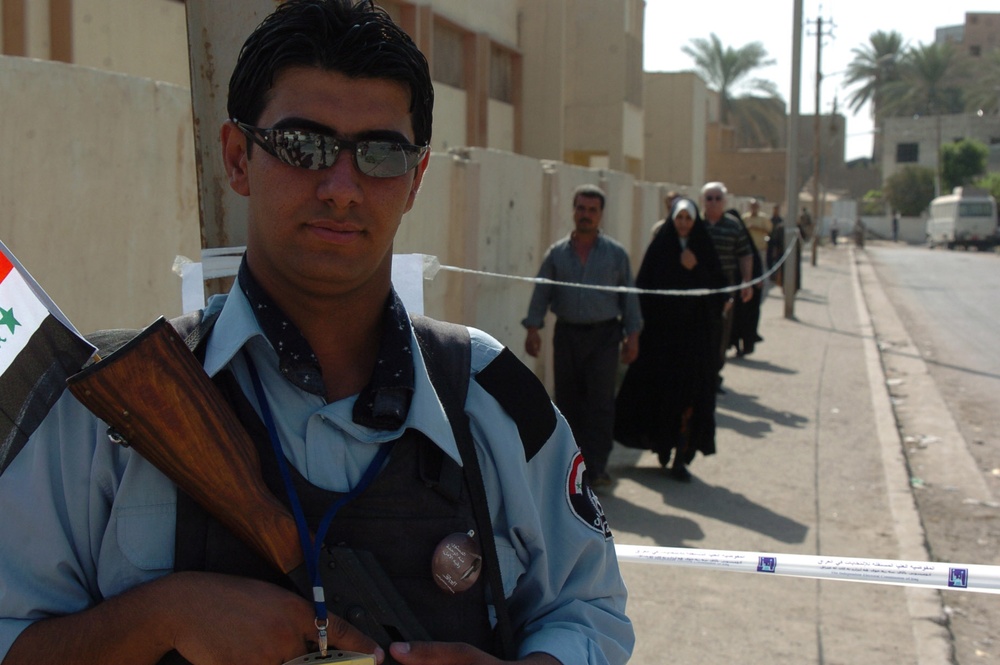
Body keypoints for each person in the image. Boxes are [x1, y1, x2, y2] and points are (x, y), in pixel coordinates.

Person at [0, 3, 634, 665]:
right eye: (304, 145)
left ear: (416, 178)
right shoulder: (112, 413)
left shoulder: (494, 402)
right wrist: (161, 616)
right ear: (238, 158)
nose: (341, 186)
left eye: (380, 153)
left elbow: (589, 610)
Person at [523, 184, 642, 488]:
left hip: (604, 337)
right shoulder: (557, 254)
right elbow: (542, 292)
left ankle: (598, 467)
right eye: (581, 208)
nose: (585, 215)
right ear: (573, 211)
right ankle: (570, 471)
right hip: (567, 336)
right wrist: (533, 329)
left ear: (601, 215)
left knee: (600, 403)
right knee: (567, 403)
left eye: (592, 210)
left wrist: (633, 336)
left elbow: (629, 296)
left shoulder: (615, 254)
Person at [614, 198, 726, 482]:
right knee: (660, 394)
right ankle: (662, 445)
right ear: (673, 219)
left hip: (695, 341)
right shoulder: (661, 247)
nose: (685, 223)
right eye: (680, 218)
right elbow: (643, 290)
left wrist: (695, 269)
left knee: (689, 397)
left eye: (689, 218)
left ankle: (680, 455)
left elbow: (720, 292)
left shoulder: (703, 249)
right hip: (661, 340)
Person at [700, 182, 753, 394]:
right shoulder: (694, 224)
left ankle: (714, 374)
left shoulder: (733, 226)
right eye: (709, 198)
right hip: (697, 289)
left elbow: (745, 254)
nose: (713, 202)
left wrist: (746, 281)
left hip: (725, 292)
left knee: (720, 333)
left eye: (717, 198)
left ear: (724, 201)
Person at [728, 210, 764, 357]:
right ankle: (735, 344)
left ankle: (746, 344)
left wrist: (753, 280)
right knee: (734, 318)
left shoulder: (744, 241)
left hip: (746, 287)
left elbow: (752, 260)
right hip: (733, 285)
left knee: (745, 317)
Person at [741, 198, 772, 270]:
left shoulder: (763, 218)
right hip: (748, 248)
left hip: (760, 247)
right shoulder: (745, 218)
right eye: (752, 206)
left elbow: (769, 230)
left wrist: (756, 228)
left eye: (755, 206)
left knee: (761, 266)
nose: (753, 208)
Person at [767, 204, 785, 286]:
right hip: (771, 242)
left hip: (778, 244)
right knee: (770, 260)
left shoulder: (780, 220)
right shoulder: (770, 220)